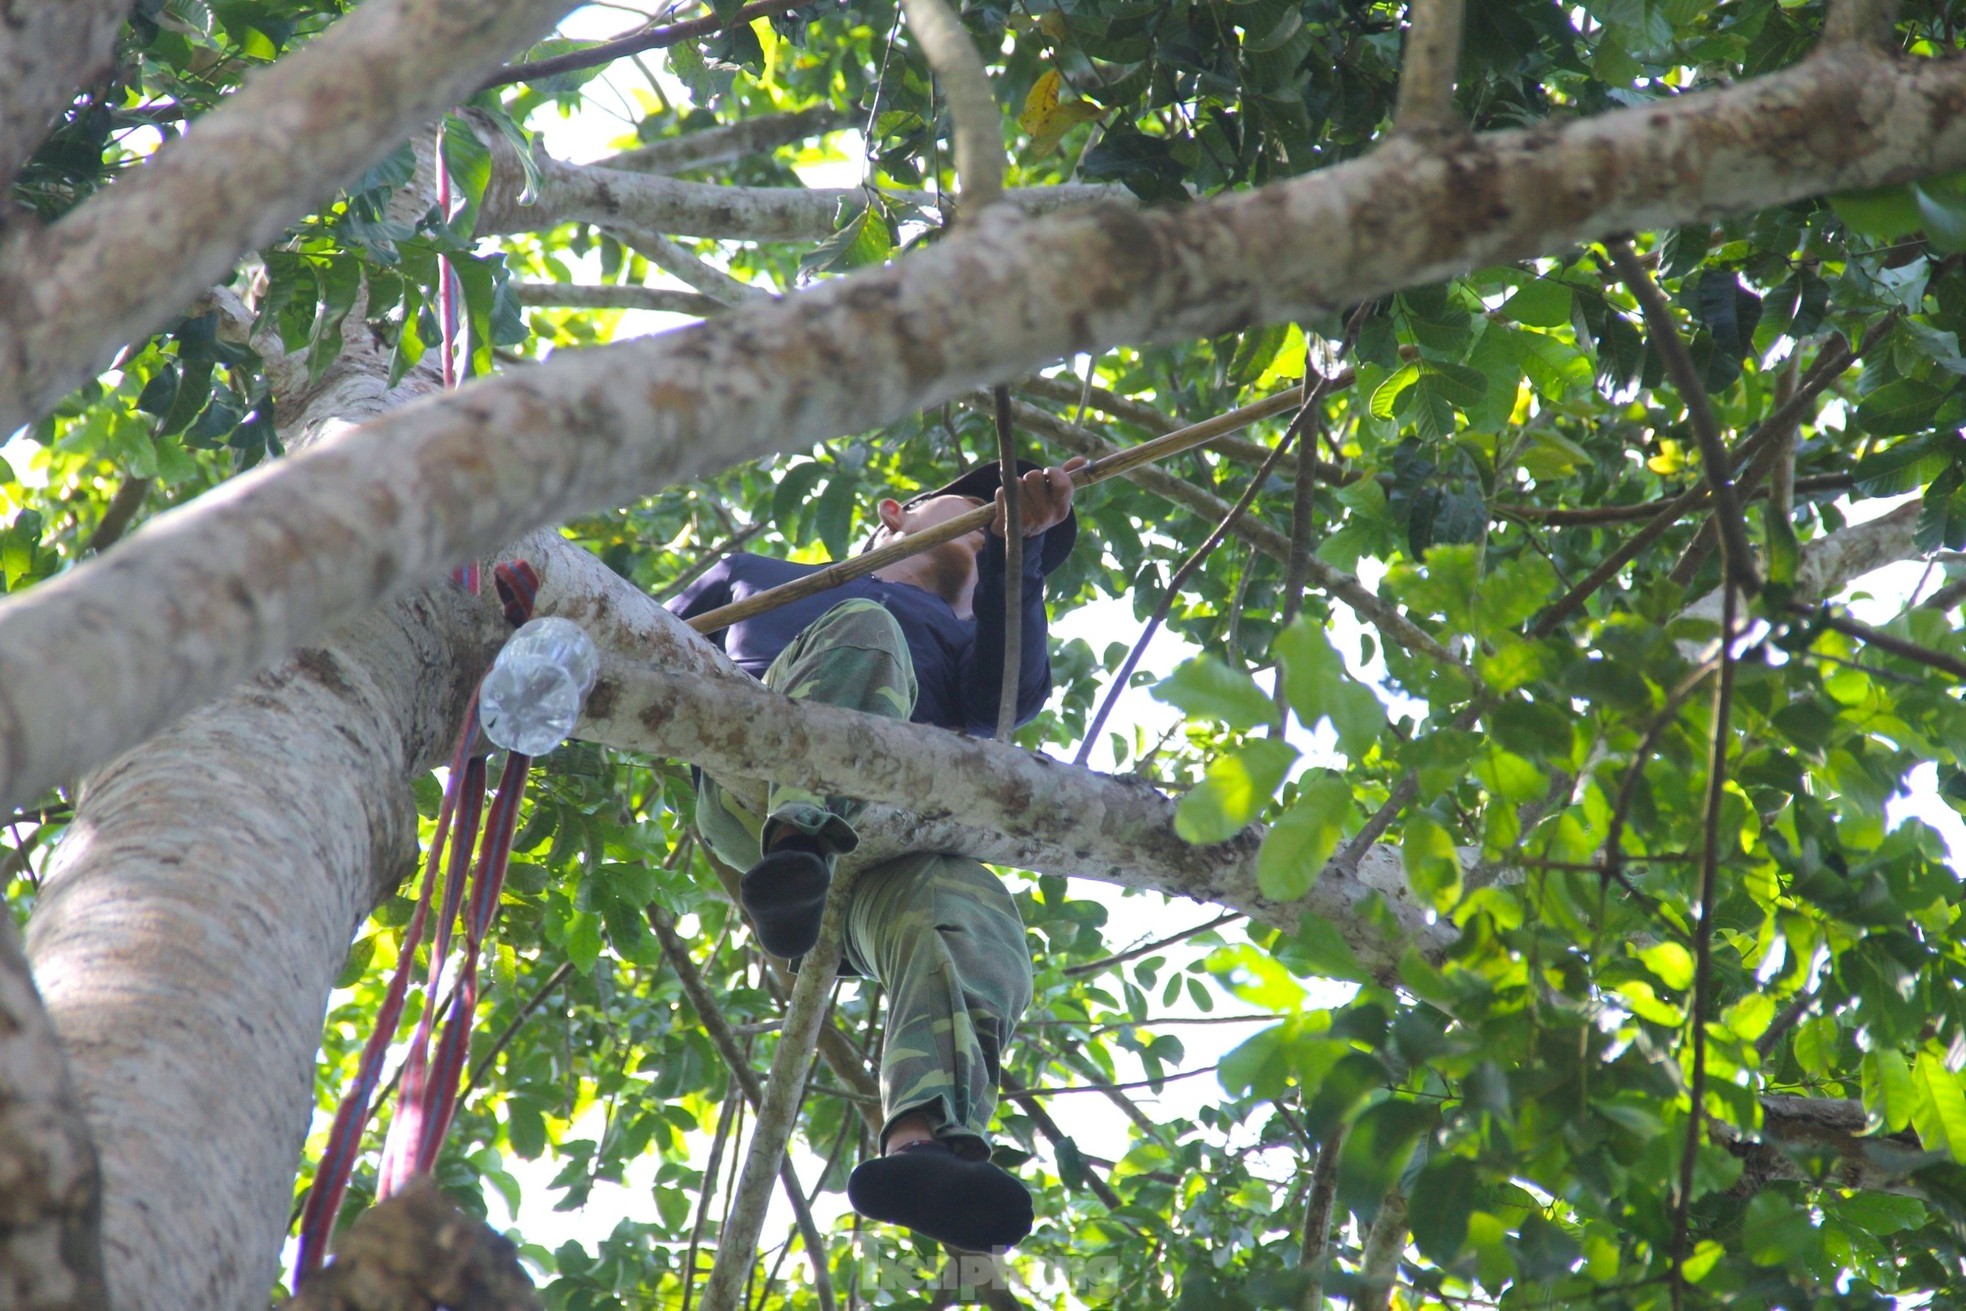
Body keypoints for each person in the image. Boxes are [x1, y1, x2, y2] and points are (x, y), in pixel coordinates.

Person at [664, 455, 1086, 1253]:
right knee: (869, 628)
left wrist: (1018, 550)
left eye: (1001, 515)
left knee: (972, 911)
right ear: (896, 512)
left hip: (877, 848)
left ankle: (926, 1144)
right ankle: (795, 845)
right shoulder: (757, 577)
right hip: (753, 779)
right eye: (976, 502)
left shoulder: (973, 646)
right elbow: (619, 636)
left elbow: (1011, 700)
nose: (991, 513)